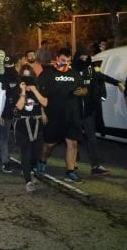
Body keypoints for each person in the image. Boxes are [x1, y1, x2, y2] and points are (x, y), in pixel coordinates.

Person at [37, 48, 87, 183]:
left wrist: (82, 92)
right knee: (49, 144)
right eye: (63, 60)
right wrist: (42, 111)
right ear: (57, 58)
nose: (65, 63)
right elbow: (39, 93)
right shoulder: (47, 73)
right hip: (54, 114)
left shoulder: (74, 73)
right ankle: (42, 161)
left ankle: (70, 172)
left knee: (73, 143)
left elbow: (84, 88)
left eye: (68, 61)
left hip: (72, 115)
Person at [72, 47, 110, 176]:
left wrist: (117, 83)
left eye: (86, 57)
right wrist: (75, 92)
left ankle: (96, 165)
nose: (84, 60)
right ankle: (72, 162)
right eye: (81, 57)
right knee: (73, 138)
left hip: (88, 110)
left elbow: (100, 77)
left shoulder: (91, 70)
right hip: (75, 110)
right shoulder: (71, 70)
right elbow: (65, 87)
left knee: (91, 138)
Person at [13, 65, 48, 193]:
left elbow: (44, 102)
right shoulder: (17, 89)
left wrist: (34, 90)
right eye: (24, 76)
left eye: (29, 76)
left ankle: (31, 170)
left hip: (37, 123)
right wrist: (23, 91)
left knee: (36, 153)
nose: (27, 79)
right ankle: (28, 180)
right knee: (25, 152)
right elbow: (19, 106)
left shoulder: (38, 88)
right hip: (23, 124)